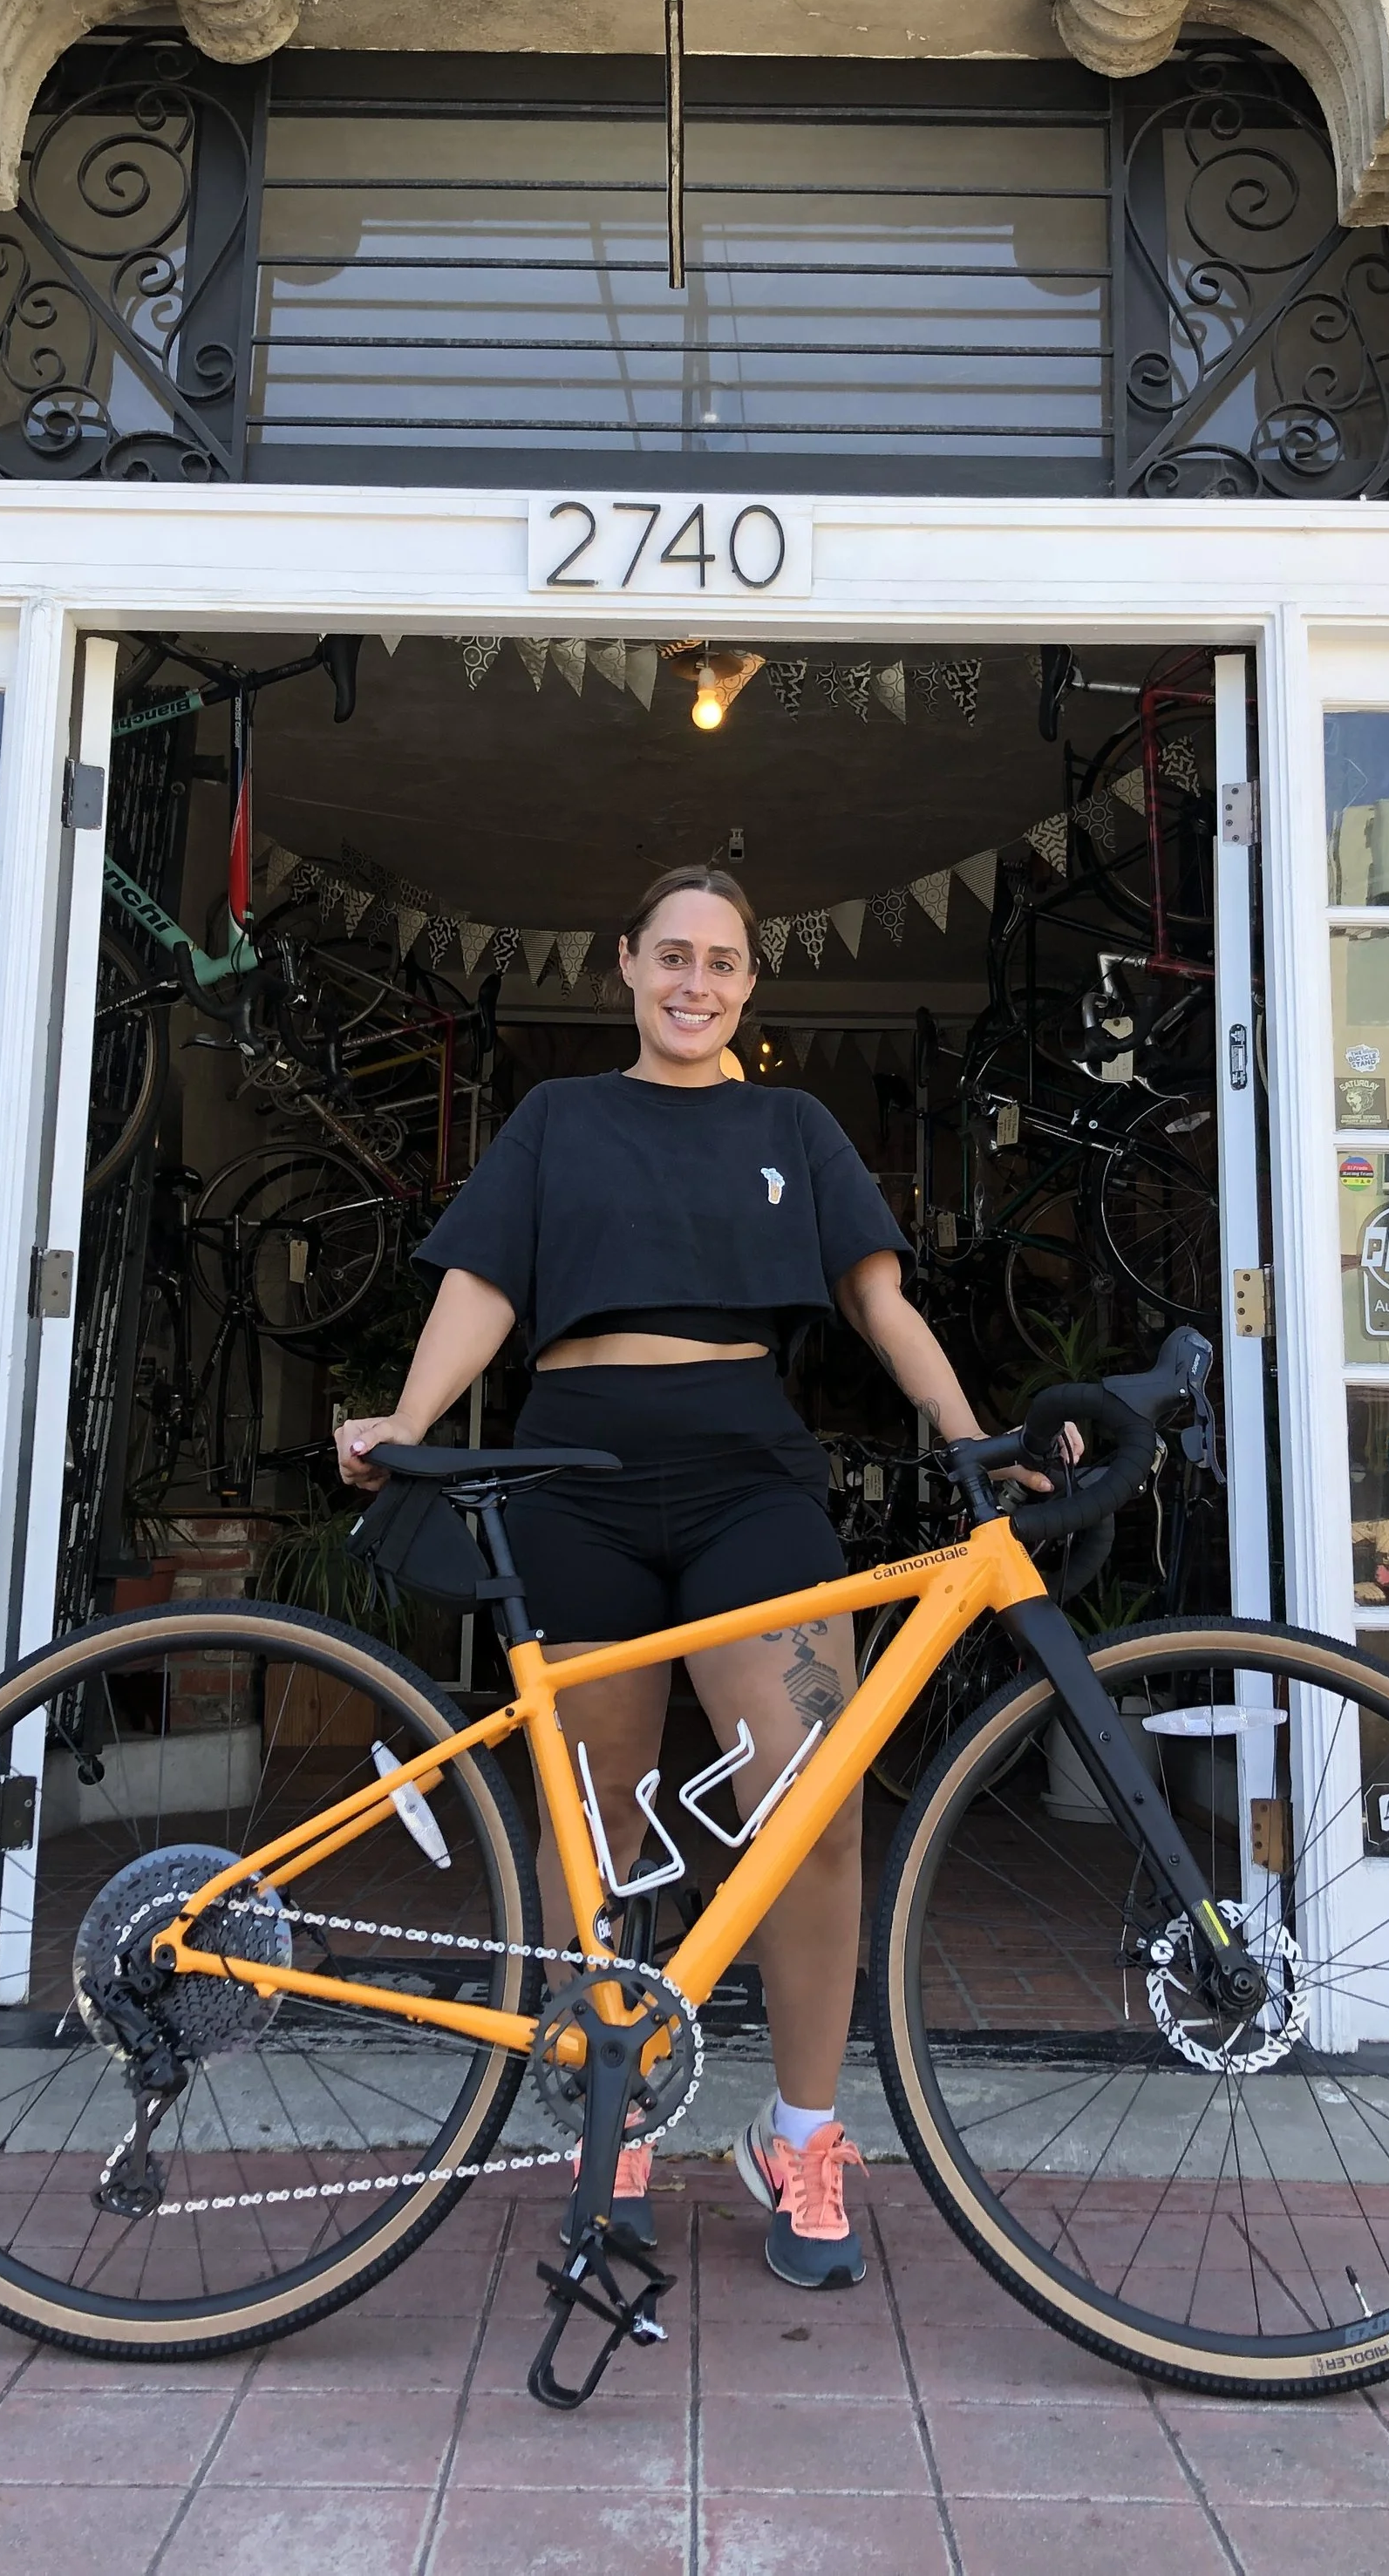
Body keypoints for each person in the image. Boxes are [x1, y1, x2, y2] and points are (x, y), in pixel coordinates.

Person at [337, 865, 1068, 2289]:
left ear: (749, 983)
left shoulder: (790, 1123)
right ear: (623, 963)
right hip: (572, 1481)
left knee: (812, 1802)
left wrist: (978, 1438)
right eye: (672, 956)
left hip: (749, 1481)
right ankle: (604, 2123)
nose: (696, 983)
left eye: (723, 963)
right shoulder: (561, 1119)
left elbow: (877, 1299)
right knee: (591, 1819)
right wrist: (405, 1428)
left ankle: (800, 2136)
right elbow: (480, 1288)